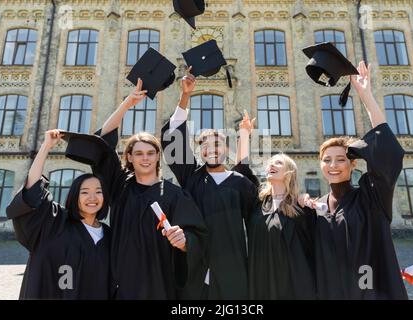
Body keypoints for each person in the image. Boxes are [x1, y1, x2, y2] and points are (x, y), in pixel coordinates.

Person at [300, 61, 408, 299]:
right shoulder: (317, 209)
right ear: (320, 165)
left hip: (369, 292)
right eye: (327, 160)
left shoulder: (371, 198)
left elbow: (385, 151)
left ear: (353, 163)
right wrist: (300, 202)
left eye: (340, 159)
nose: (333, 166)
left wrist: (366, 96)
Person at [93, 78, 207, 300]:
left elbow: (198, 235)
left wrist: (185, 243)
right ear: (129, 157)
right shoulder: (119, 187)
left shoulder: (175, 195)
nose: (145, 158)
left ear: (158, 157)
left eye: (150, 153)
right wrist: (127, 103)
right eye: (138, 153)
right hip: (122, 283)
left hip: (160, 284)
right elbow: (102, 143)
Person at [160, 67, 258, 299]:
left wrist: (244, 136)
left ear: (226, 149)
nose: (211, 149)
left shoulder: (240, 184)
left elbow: (258, 221)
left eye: (217, 145)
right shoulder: (192, 178)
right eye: (205, 146)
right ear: (200, 151)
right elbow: (173, 138)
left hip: (233, 271)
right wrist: (185, 95)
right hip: (195, 270)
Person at [6, 129, 110, 299]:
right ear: (74, 196)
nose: (92, 197)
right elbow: (33, 191)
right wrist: (46, 147)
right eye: (84, 192)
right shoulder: (56, 223)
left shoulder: (109, 235)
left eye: (98, 192)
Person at [233, 113, 316, 300]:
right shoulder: (257, 203)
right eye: (269, 163)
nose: (271, 164)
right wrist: (244, 134)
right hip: (261, 282)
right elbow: (241, 169)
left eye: (278, 162)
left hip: (294, 285)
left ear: (289, 172)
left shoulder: (302, 208)